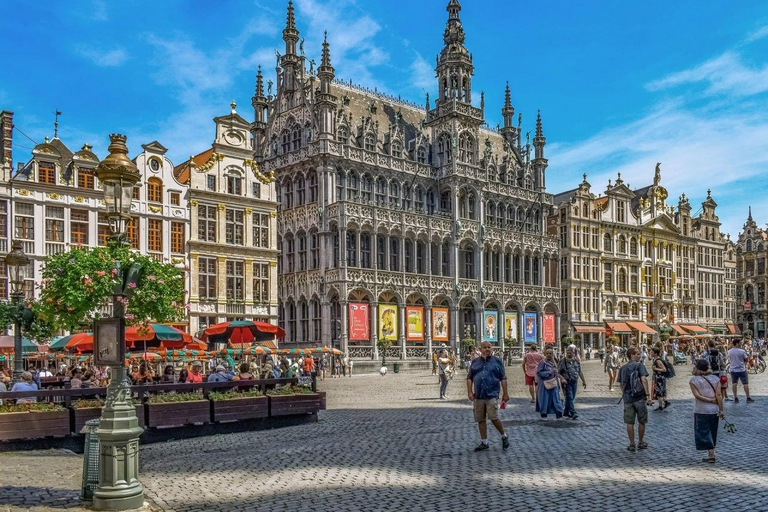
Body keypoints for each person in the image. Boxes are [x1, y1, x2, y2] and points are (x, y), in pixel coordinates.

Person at [466, 341, 510, 451]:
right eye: (484, 347)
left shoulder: (497, 362)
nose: (487, 349)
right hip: (479, 395)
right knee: (480, 419)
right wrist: (470, 392)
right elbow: (469, 378)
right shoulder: (475, 362)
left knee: (494, 417)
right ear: (480, 349)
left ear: (492, 349)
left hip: (492, 394)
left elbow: (503, 378)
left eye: (489, 347)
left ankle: (504, 436)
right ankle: (484, 442)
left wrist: (505, 393)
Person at [689, 358, 724, 463]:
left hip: (701, 410)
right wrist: (721, 409)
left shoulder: (693, 381)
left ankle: (711, 454)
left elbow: (697, 396)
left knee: (704, 432)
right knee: (712, 432)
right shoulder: (715, 379)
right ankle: (711, 454)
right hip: (714, 410)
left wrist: (709, 401)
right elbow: (719, 395)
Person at [617, 347, 652, 451]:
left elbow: (621, 384)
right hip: (639, 397)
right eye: (637, 354)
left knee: (629, 422)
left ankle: (632, 444)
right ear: (631, 355)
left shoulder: (622, 368)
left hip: (627, 398)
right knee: (641, 421)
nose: (639, 355)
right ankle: (640, 442)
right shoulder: (639, 365)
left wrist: (625, 393)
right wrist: (648, 395)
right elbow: (644, 379)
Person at [536, 348, 566, 421]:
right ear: (545, 354)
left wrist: (562, 378)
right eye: (547, 353)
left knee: (556, 399)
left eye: (550, 353)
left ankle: (559, 414)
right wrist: (548, 372)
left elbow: (556, 373)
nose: (549, 355)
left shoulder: (554, 362)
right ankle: (544, 415)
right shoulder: (542, 363)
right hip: (544, 385)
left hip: (553, 384)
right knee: (545, 400)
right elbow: (539, 373)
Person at [558, 346, 587, 420]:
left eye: (570, 352)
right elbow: (557, 373)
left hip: (574, 381)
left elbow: (580, 371)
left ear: (573, 353)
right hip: (566, 382)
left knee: (571, 397)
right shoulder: (562, 361)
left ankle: (566, 412)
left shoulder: (576, 361)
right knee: (569, 397)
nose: (568, 354)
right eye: (567, 352)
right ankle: (573, 412)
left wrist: (583, 381)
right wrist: (562, 379)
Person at [650, 347, 668, 411]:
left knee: (660, 392)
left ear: (655, 353)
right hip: (657, 377)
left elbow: (664, 369)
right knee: (658, 391)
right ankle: (665, 402)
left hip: (660, 378)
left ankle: (660, 407)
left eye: (652, 352)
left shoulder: (658, 361)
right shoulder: (654, 359)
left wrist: (655, 369)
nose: (650, 353)